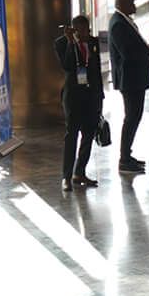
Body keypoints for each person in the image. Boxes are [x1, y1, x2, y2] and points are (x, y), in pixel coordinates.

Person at [108, 0, 149, 175]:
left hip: (133, 79)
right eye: (131, 3)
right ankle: (124, 159)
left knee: (133, 117)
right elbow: (127, 53)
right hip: (130, 80)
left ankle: (127, 156)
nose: (135, 6)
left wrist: (147, 49)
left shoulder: (124, 21)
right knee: (131, 118)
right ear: (123, 4)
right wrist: (147, 50)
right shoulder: (118, 24)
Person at [52, 15, 105, 191]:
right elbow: (67, 66)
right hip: (73, 97)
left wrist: (100, 96)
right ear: (74, 30)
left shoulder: (93, 42)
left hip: (91, 96)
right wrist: (71, 43)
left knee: (88, 135)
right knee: (72, 136)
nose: (86, 34)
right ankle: (66, 177)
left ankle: (79, 172)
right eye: (81, 31)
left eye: (87, 30)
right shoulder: (61, 43)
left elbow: (96, 70)